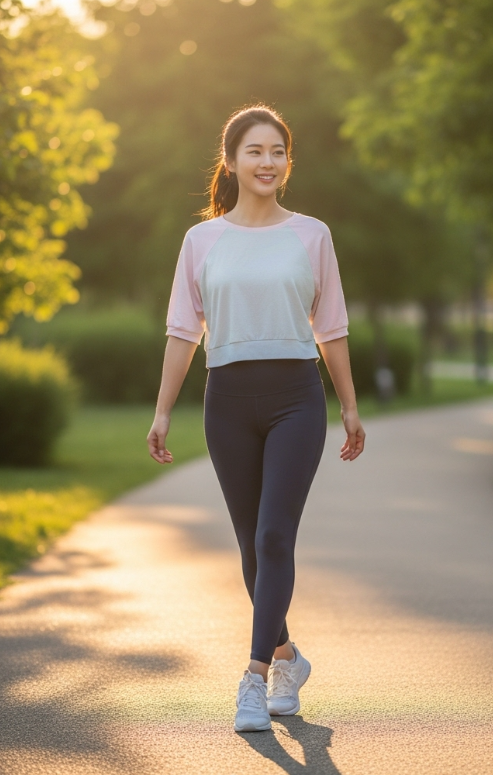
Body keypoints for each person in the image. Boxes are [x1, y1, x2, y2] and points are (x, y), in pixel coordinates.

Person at [146, 105, 366, 733]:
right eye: (255, 152)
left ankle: (252, 677)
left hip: (297, 396)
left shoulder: (312, 235)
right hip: (228, 401)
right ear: (232, 160)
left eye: (278, 152)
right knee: (250, 546)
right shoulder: (202, 241)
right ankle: (289, 658)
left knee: (274, 538)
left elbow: (333, 330)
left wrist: (349, 406)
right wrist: (163, 412)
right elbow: (182, 333)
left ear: (287, 162)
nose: (267, 163)